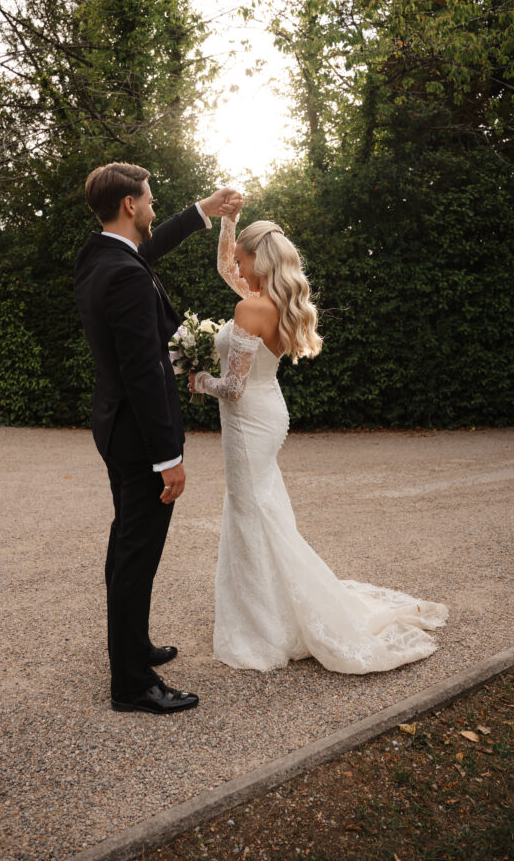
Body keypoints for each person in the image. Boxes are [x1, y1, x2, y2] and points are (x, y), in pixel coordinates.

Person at [190, 213, 448, 673]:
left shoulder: (250, 308)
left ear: (258, 260)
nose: (237, 268)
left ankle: (264, 628)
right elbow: (225, 268)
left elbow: (232, 389)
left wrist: (197, 380)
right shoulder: (269, 300)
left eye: (243, 260)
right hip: (267, 415)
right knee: (260, 511)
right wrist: (228, 223)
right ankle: (270, 609)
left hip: (248, 422)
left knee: (250, 514)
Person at [74, 161, 240, 713]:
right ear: (128, 206)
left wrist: (201, 212)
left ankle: (133, 644)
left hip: (113, 424)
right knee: (137, 552)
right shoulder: (122, 271)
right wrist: (168, 456)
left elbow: (144, 251)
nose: (150, 209)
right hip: (140, 437)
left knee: (127, 543)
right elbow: (145, 370)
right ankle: (132, 684)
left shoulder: (99, 256)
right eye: (147, 201)